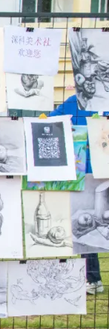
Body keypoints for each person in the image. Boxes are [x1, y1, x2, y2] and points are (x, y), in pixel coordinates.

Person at [50, 63, 109, 296]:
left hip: (99, 174)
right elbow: (50, 123)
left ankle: (92, 279)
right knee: (87, 226)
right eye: (86, 78)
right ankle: (92, 279)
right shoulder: (73, 103)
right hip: (85, 175)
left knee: (93, 225)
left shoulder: (96, 102)